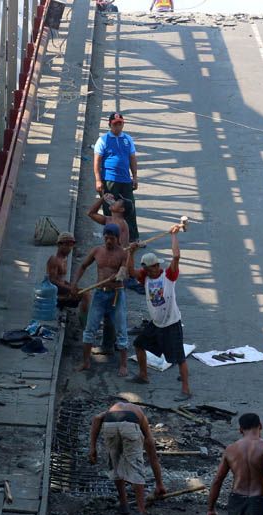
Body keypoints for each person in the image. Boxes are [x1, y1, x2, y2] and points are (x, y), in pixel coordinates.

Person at [125, 224, 190, 399]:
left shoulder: (168, 276)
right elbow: (130, 271)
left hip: (171, 323)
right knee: (138, 344)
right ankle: (143, 375)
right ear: (146, 269)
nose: (155, 269)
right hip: (156, 324)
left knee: (179, 358)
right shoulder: (144, 277)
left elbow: (176, 256)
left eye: (156, 266)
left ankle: (186, 390)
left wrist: (173, 235)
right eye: (151, 267)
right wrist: (131, 252)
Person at [89, 401, 167, 515]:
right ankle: (141, 512)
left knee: (116, 464)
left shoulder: (113, 408)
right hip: (129, 424)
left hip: (110, 423)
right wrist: (159, 484)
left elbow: (97, 418)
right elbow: (152, 454)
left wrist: (92, 448)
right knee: (135, 466)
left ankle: (124, 504)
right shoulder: (140, 416)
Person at [72, 224, 129, 375]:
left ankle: (123, 365)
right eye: (106, 238)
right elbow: (83, 265)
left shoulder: (123, 254)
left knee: (121, 330)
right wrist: (75, 283)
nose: (109, 241)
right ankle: (86, 362)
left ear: (117, 239)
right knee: (89, 329)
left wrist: (117, 276)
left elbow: (124, 273)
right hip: (99, 294)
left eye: (112, 238)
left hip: (116, 294)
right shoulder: (97, 251)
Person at [94, 112, 139, 242]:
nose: (118, 127)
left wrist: (134, 176)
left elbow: (132, 158)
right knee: (110, 209)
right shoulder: (103, 140)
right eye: (115, 124)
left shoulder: (127, 139)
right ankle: (111, 238)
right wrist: (98, 180)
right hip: (110, 179)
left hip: (125, 179)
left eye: (120, 124)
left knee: (129, 207)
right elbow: (97, 161)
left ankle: (133, 237)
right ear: (110, 125)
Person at [46, 232, 81, 308]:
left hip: (62, 291)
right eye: (67, 245)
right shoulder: (54, 260)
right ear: (59, 245)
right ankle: (88, 320)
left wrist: (71, 286)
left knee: (83, 292)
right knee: (85, 295)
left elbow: (61, 279)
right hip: (55, 295)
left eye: (71, 245)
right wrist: (69, 289)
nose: (69, 248)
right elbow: (52, 281)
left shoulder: (64, 259)